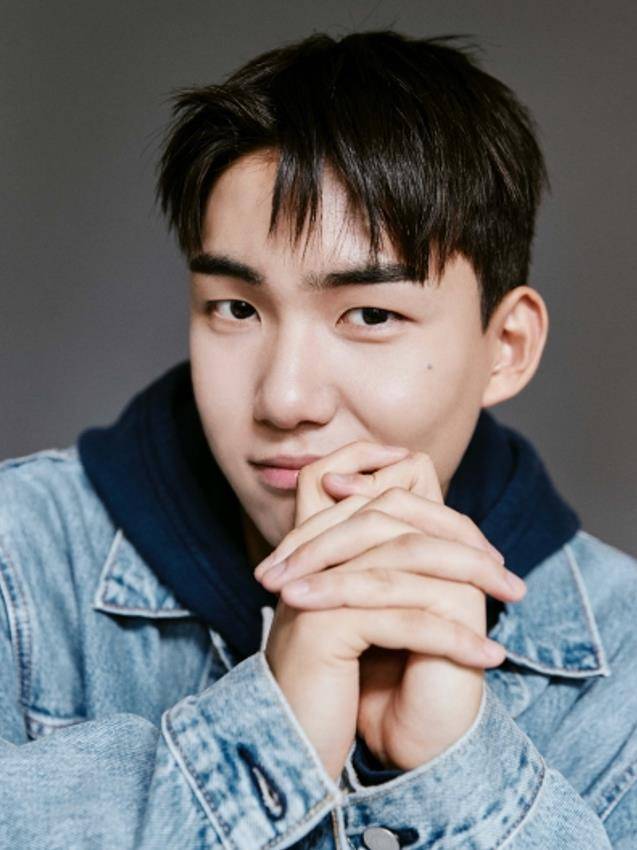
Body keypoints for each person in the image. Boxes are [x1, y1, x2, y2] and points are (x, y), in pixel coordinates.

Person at [0, 29, 634, 850]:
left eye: (370, 314)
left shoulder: (622, 661)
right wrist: (270, 735)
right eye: (236, 308)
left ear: (505, 347)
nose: (284, 398)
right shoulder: (18, 559)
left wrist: (457, 778)